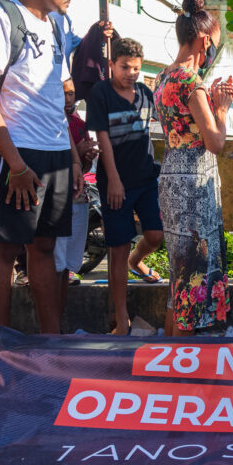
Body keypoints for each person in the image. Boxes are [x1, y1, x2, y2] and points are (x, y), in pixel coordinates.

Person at [0, 0, 84, 334]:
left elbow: (57, 97)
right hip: (16, 151)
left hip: (54, 151)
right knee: (5, 248)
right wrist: (16, 165)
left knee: (46, 248)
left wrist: (71, 157)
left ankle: (49, 338)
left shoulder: (58, 26)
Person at [153, 0, 233, 336]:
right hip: (194, 183)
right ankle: (185, 361)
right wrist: (223, 108)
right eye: (215, 43)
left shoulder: (161, 78)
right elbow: (215, 142)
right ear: (204, 40)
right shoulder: (191, 82)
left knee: (180, 270)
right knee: (197, 269)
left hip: (171, 174)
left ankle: (171, 353)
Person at [86, 38, 162, 335]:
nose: (131, 73)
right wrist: (114, 180)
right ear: (111, 65)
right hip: (115, 183)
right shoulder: (101, 93)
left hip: (146, 179)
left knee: (155, 235)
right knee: (117, 250)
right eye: (125, 67)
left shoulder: (144, 92)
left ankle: (137, 261)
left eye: (137, 68)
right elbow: (102, 137)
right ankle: (121, 319)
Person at [52, 80, 97, 309]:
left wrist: (86, 158)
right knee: (55, 265)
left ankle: (58, 319)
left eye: (71, 93)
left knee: (68, 267)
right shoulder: (49, 121)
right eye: (64, 93)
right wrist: (76, 154)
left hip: (78, 198)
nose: (68, 98)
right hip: (58, 198)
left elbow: (84, 170)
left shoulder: (79, 124)